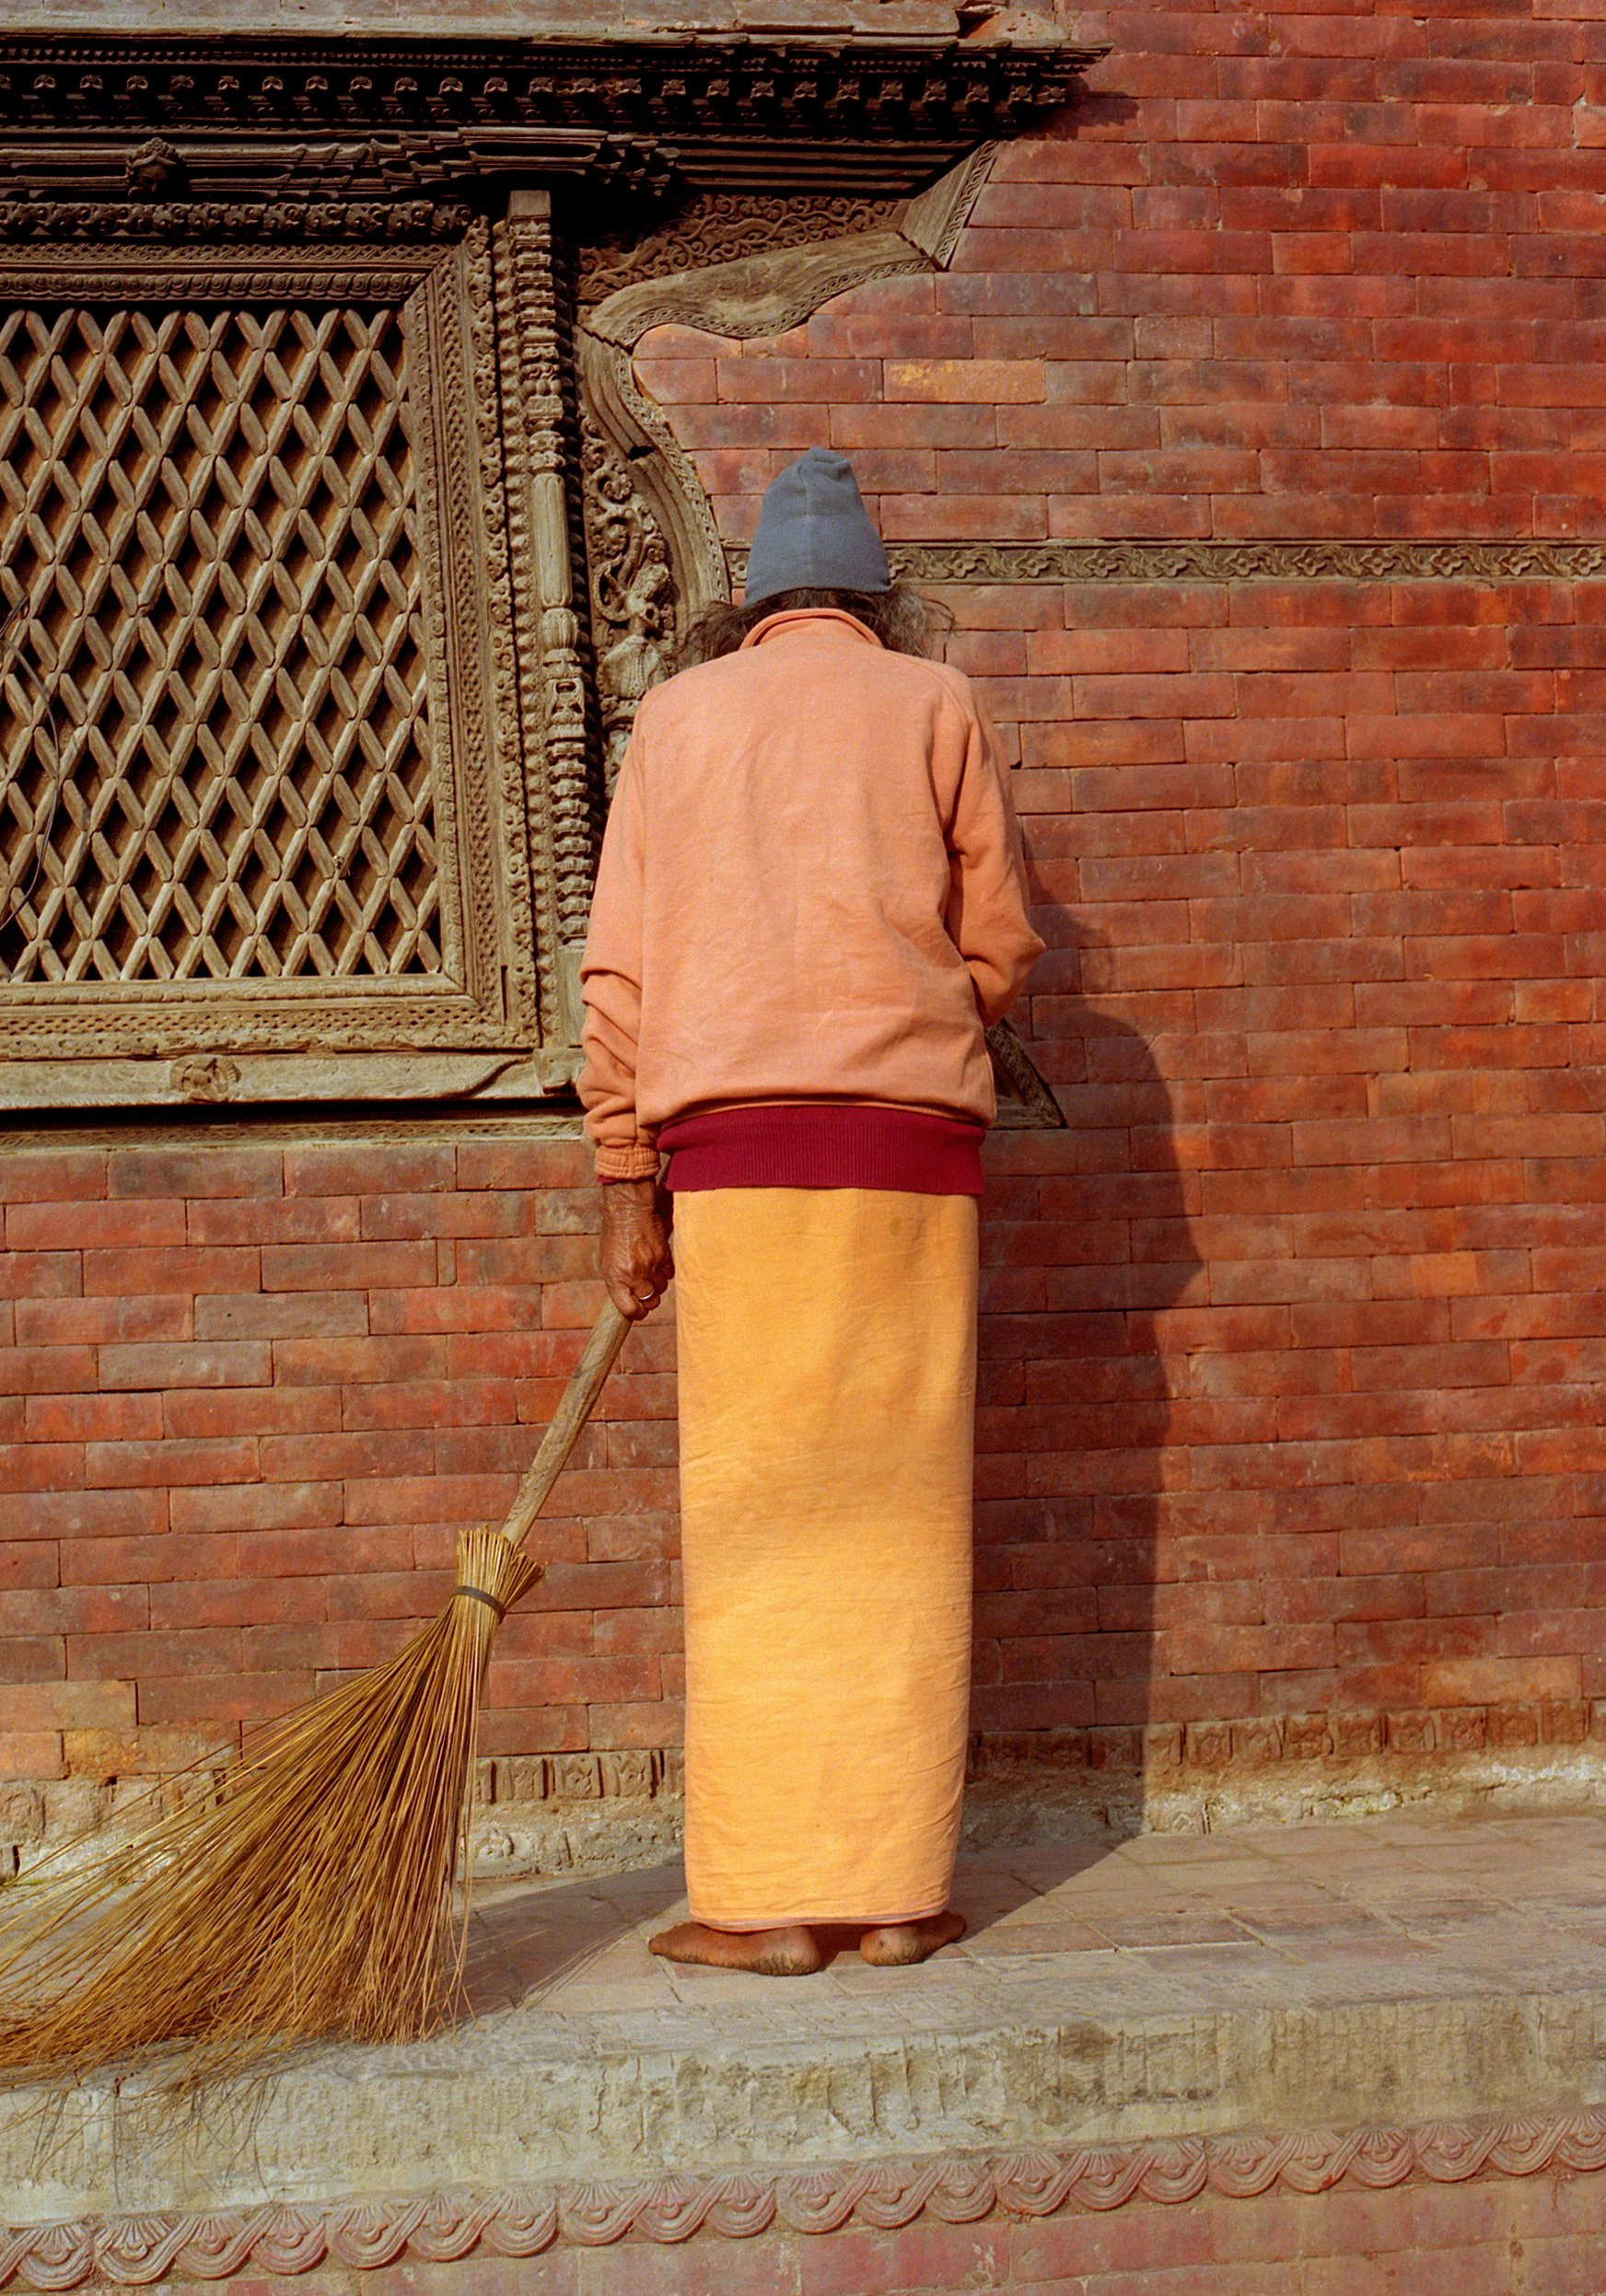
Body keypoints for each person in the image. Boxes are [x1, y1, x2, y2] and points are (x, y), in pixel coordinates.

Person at [578, 447, 1044, 1977]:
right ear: (872, 593)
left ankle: (765, 1903)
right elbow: (1000, 944)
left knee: (758, 1515)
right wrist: (919, 1018)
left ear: (752, 601)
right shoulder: (934, 703)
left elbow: (619, 973)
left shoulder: (677, 715)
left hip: (735, 1161)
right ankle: (902, 1894)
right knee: (902, 1522)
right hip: (912, 1160)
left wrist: (619, 1179)